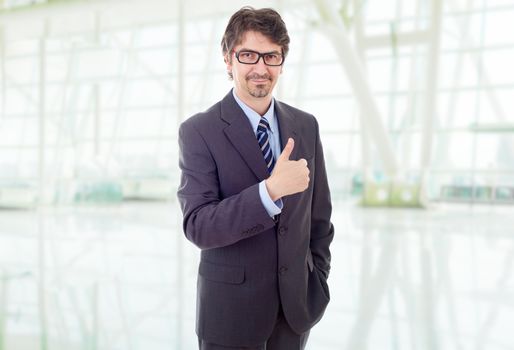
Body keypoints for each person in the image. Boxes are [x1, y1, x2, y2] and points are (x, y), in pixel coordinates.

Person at [177, 6, 334, 350]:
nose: (261, 68)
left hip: (294, 314)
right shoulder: (199, 131)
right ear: (228, 58)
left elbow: (319, 220)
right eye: (248, 55)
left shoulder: (305, 125)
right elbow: (198, 225)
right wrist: (269, 192)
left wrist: (316, 279)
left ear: (281, 61)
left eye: (271, 56)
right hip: (230, 317)